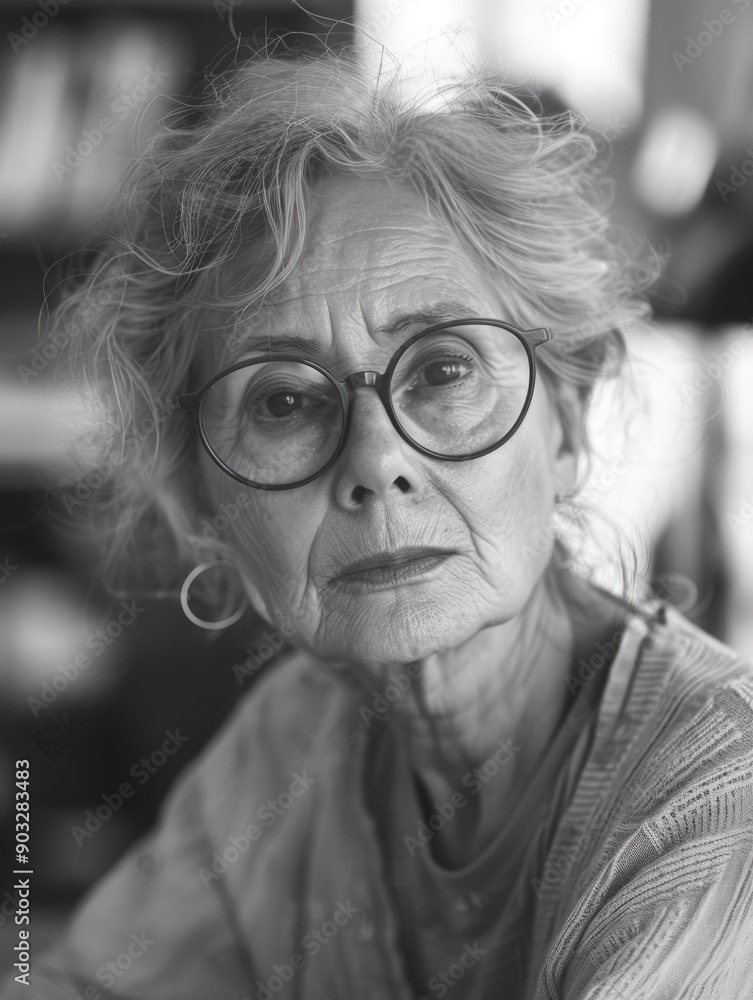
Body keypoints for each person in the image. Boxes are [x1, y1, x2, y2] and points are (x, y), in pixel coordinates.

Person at [5, 45, 753, 1000]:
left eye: (442, 371)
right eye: (283, 401)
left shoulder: (710, 802)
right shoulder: (299, 734)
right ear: (200, 507)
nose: (374, 460)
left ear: (565, 425)